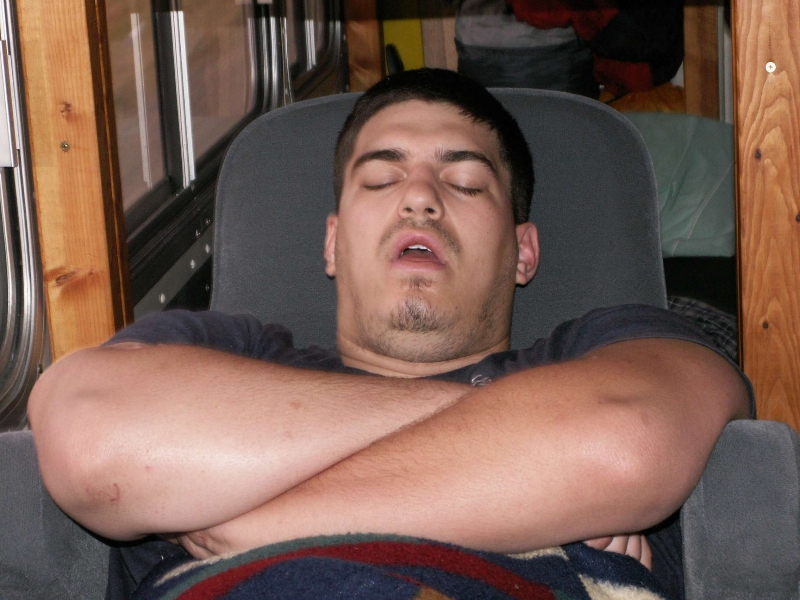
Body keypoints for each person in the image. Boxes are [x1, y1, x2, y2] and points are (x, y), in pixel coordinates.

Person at [27, 68, 751, 598]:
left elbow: (623, 437)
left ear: (523, 251)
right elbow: (91, 433)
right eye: (381, 180)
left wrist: (253, 522)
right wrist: (538, 452)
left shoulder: (602, 348)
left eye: (465, 183)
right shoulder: (227, 352)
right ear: (332, 242)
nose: (419, 198)